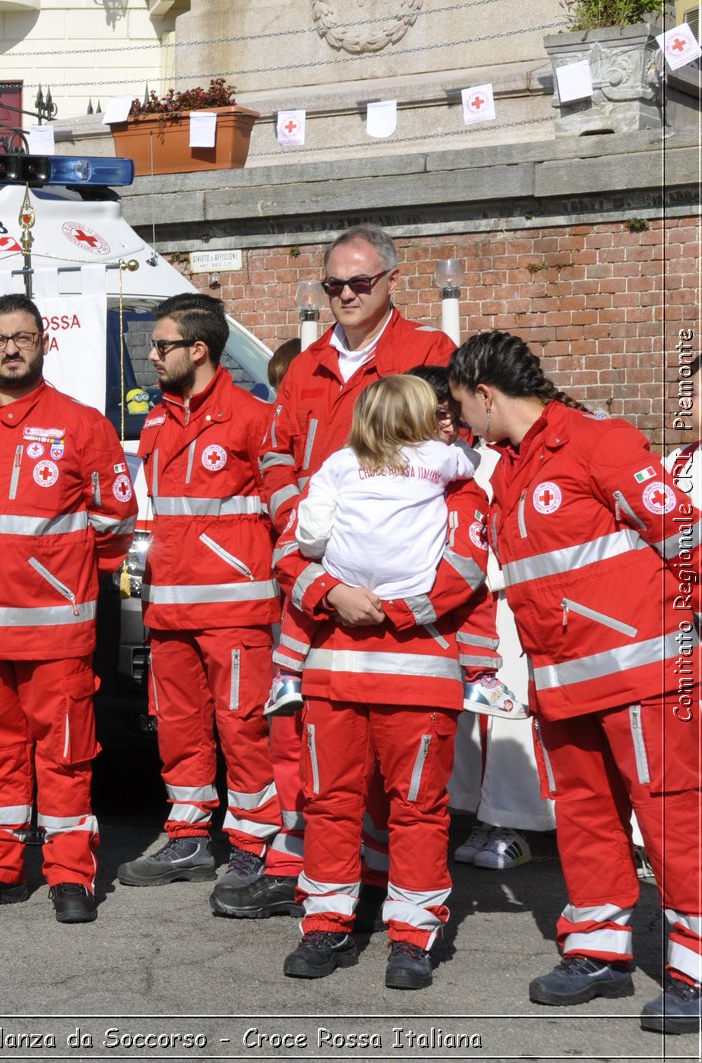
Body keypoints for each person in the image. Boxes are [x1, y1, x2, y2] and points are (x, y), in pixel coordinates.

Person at [448, 331, 699, 1036]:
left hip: (643, 674)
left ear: (486, 393)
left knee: (673, 822)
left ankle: (697, 968)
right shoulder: (508, 469)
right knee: (586, 819)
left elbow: (685, 535)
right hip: (563, 685)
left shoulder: (597, 441)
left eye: (465, 407)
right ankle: (598, 952)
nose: (465, 424)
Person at [274, 374, 492, 990]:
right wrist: (333, 594)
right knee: (330, 805)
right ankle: (325, 924)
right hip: (335, 675)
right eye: (438, 413)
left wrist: (390, 611)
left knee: (419, 811)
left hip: (417, 677)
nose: (447, 424)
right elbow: (289, 552)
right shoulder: (345, 472)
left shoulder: (462, 489)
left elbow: (465, 570)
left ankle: (412, 936)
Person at [260, 224, 456, 906]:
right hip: (318, 579)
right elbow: (277, 461)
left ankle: (389, 885)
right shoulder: (310, 363)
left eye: (359, 282)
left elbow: (458, 473)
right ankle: (314, 876)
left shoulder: (429, 354)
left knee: (404, 767)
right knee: (316, 749)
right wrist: (308, 554)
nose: (345, 294)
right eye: (333, 285)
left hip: (405, 597)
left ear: (392, 281)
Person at [0, 293, 135, 925]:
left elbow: (115, 522)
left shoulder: (83, 425)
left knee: (66, 754)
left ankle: (70, 874)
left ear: (42, 341)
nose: (11, 348)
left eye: (22, 336)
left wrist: (60, 577)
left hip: (55, 634)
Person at [118, 294, 287, 915]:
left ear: (199, 350)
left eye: (161, 345)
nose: (152, 355)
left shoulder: (252, 419)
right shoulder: (159, 422)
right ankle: (188, 838)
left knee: (245, 729)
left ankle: (257, 843)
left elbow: (283, 511)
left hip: (236, 609)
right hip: (170, 610)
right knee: (180, 728)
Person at [405, 364, 554, 873]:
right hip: (439, 605)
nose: (444, 425)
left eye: (448, 414)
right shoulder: (397, 465)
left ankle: (510, 822)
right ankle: (468, 812)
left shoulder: (486, 462)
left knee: (503, 716)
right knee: (459, 724)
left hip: (498, 597)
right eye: (433, 415)